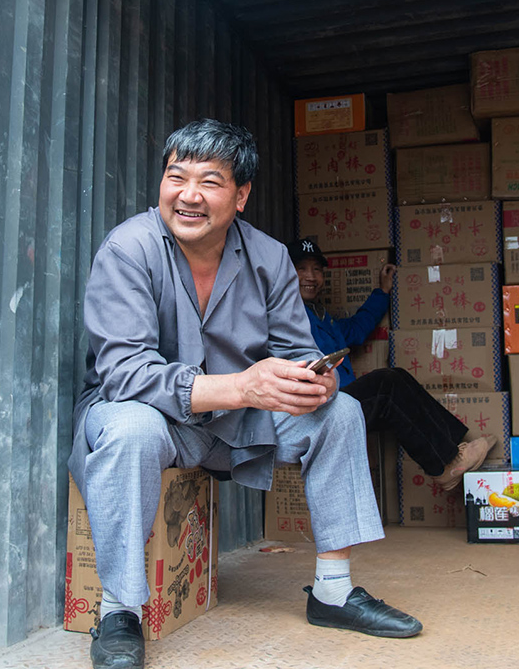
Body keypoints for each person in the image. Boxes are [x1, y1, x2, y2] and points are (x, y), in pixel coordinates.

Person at [71, 119, 422, 669]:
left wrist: (314, 377)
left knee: (340, 411)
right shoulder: (129, 248)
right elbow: (124, 371)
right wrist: (240, 386)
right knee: (129, 428)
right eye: (175, 176)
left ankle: (333, 591)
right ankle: (118, 612)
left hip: (238, 421)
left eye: (210, 181)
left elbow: (293, 347)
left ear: (241, 196)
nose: (188, 195)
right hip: (151, 415)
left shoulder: (267, 255)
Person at [288, 238, 496, 490]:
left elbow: (355, 329)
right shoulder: (285, 316)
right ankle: (445, 465)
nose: (310, 276)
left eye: (317, 270)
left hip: (343, 404)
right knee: (387, 384)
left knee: (395, 377)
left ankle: (455, 451)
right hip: (320, 411)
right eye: (301, 269)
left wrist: (382, 292)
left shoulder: (321, 317)